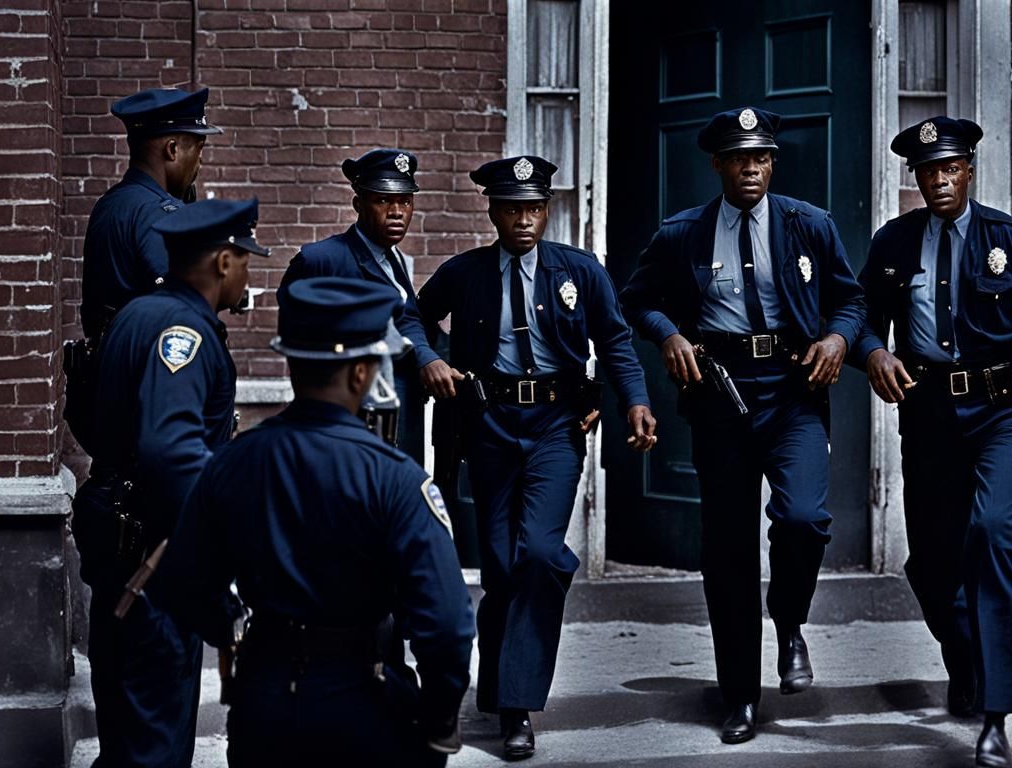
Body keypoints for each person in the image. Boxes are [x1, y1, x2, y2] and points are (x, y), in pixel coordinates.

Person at [852, 116, 1012, 768]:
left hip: (1002, 414)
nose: (939, 180)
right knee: (931, 562)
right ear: (917, 177)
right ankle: (964, 659)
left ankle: (994, 712)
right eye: (929, 171)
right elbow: (857, 317)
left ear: (969, 170)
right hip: (927, 413)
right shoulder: (893, 244)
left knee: (992, 533)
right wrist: (873, 350)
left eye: (950, 168)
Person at [619, 107, 866, 744]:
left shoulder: (807, 224)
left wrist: (838, 339)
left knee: (803, 518)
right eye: (738, 157)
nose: (750, 167)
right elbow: (635, 299)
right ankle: (739, 696)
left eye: (761, 157)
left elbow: (851, 296)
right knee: (727, 548)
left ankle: (788, 621)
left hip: (794, 390)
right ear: (717, 164)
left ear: (772, 162)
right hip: (720, 396)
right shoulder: (684, 234)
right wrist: (669, 334)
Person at [157, 276, 475, 766]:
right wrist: (436, 721)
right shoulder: (395, 479)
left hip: (264, 699)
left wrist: (231, 627)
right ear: (359, 374)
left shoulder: (233, 463)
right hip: (361, 696)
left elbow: (185, 582)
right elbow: (449, 627)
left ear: (292, 363)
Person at [417, 155, 657, 760]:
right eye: (512, 209)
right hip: (490, 424)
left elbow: (617, 340)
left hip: (557, 423)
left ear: (546, 210)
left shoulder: (579, 270)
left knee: (543, 553)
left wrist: (633, 402)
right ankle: (500, 690)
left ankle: (517, 706)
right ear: (493, 211)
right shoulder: (465, 273)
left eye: (534, 208)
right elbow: (412, 317)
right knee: (500, 565)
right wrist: (430, 358)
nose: (524, 221)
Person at [70, 198, 269, 768]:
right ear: (223, 261)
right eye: (246, 259)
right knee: (156, 743)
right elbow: (172, 453)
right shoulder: (185, 334)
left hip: (121, 546)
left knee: (128, 734)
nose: (249, 273)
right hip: (154, 561)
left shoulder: (137, 313)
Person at [65, 87, 222, 449]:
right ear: (172, 150)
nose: (199, 164)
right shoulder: (159, 214)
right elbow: (186, 305)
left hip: (111, 396)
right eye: (199, 149)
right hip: (151, 402)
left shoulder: (112, 205)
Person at [280, 148, 435, 459]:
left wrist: (427, 357)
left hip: (400, 416)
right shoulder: (322, 259)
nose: (396, 212)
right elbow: (296, 337)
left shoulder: (393, 259)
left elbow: (406, 318)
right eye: (382, 200)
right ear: (358, 204)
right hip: (349, 419)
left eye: (405, 202)